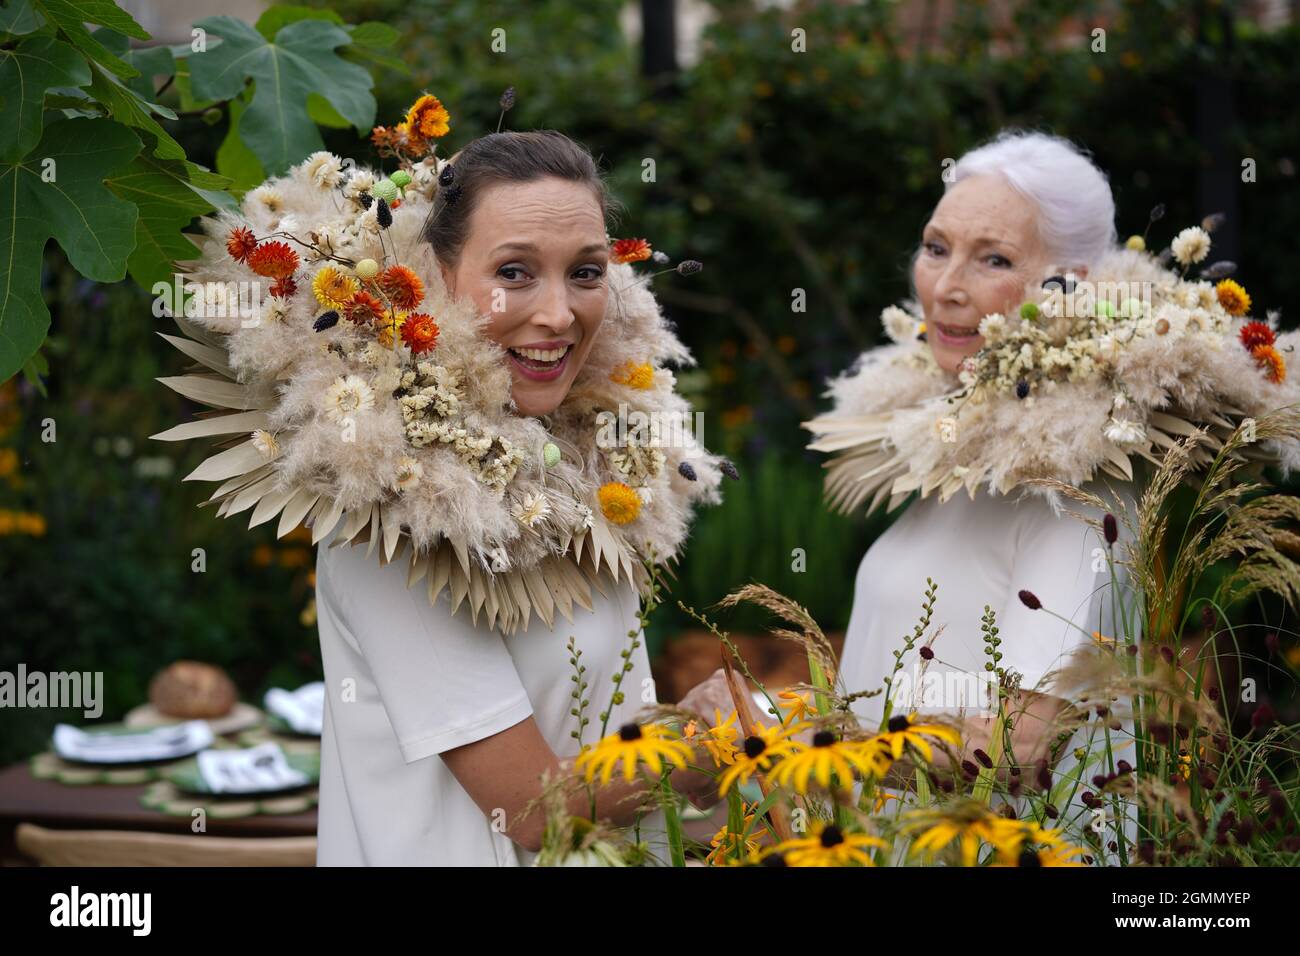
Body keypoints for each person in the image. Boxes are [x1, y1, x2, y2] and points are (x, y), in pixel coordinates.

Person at [311, 131, 733, 865]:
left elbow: (596, 733)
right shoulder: (390, 505)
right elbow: (532, 808)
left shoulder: (569, 460)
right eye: (515, 271)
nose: (559, 315)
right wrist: (706, 748)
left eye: (586, 272)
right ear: (433, 276)